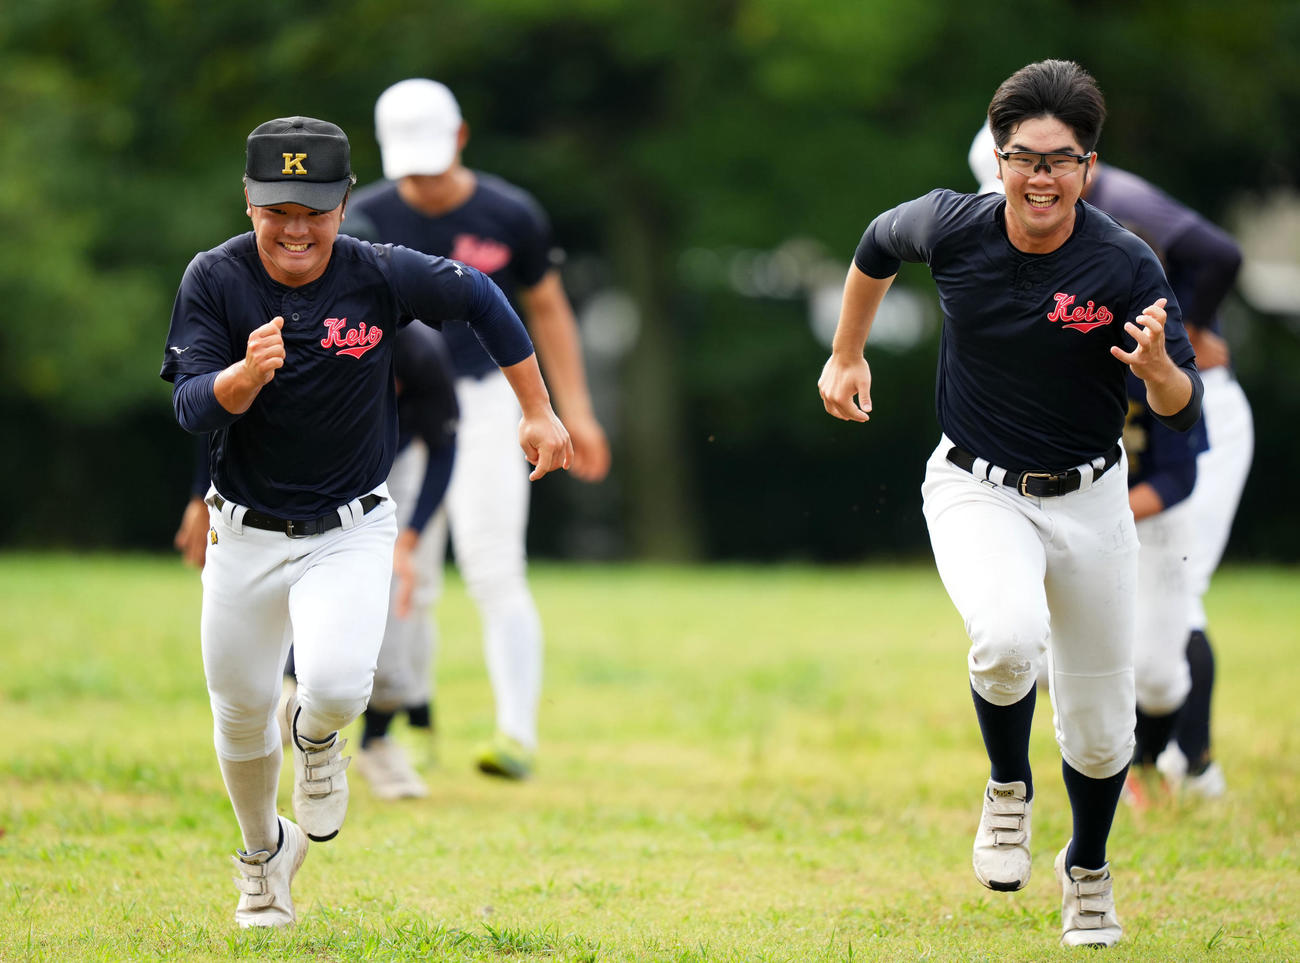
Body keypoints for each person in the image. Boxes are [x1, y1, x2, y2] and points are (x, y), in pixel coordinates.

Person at [819, 60, 1202, 948]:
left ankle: (1088, 869)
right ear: (998, 160)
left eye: (1060, 160)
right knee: (1005, 635)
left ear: (1088, 169)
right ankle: (1007, 788)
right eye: (1025, 157)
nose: (1041, 177)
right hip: (974, 484)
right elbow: (875, 246)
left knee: (1102, 735)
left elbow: (1184, 407)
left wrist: (1157, 373)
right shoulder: (950, 225)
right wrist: (846, 353)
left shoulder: (1124, 262)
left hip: (1092, 500)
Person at [159, 115, 571, 928]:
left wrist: (537, 408)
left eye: (314, 210)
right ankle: (264, 857)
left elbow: (482, 296)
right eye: (278, 210)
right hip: (243, 531)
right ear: (248, 201)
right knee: (240, 713)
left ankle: (319, 741)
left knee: (339, 682)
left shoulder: (379, 274)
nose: (296, 228)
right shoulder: (214, 277)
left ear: (344, 204)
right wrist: (243, 377)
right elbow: (189, 404)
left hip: (350, 527)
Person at [971, 122, 1251, 797]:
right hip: (1096, 497)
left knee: (1164, 640)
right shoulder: (1057, 326)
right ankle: (1127, 766)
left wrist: (1184, 339)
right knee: (1039, 645)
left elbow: (1176, 476)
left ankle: (1184, 759)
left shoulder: (1141, 316)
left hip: (1154, 487)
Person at [345, 78, 612, 780]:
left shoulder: (510, 213)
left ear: (460, 138)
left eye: (434, 163)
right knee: (407, 573)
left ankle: (516, 734)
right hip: (402, 410)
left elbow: (547, 309)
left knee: (495, 566)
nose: (424, 183)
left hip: (494, 400)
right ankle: (392, 725)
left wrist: (573, 410)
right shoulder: (363, 218)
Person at [1121, 370, 1208, 810]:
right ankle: (1100, 765)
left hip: (1156, 521)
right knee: (1041, 662)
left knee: (1156, 674)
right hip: (1068, 513)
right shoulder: (1050, 347)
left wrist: (1109, 513)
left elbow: (1180, 475)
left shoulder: (1158, 351)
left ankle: (1148, 762)